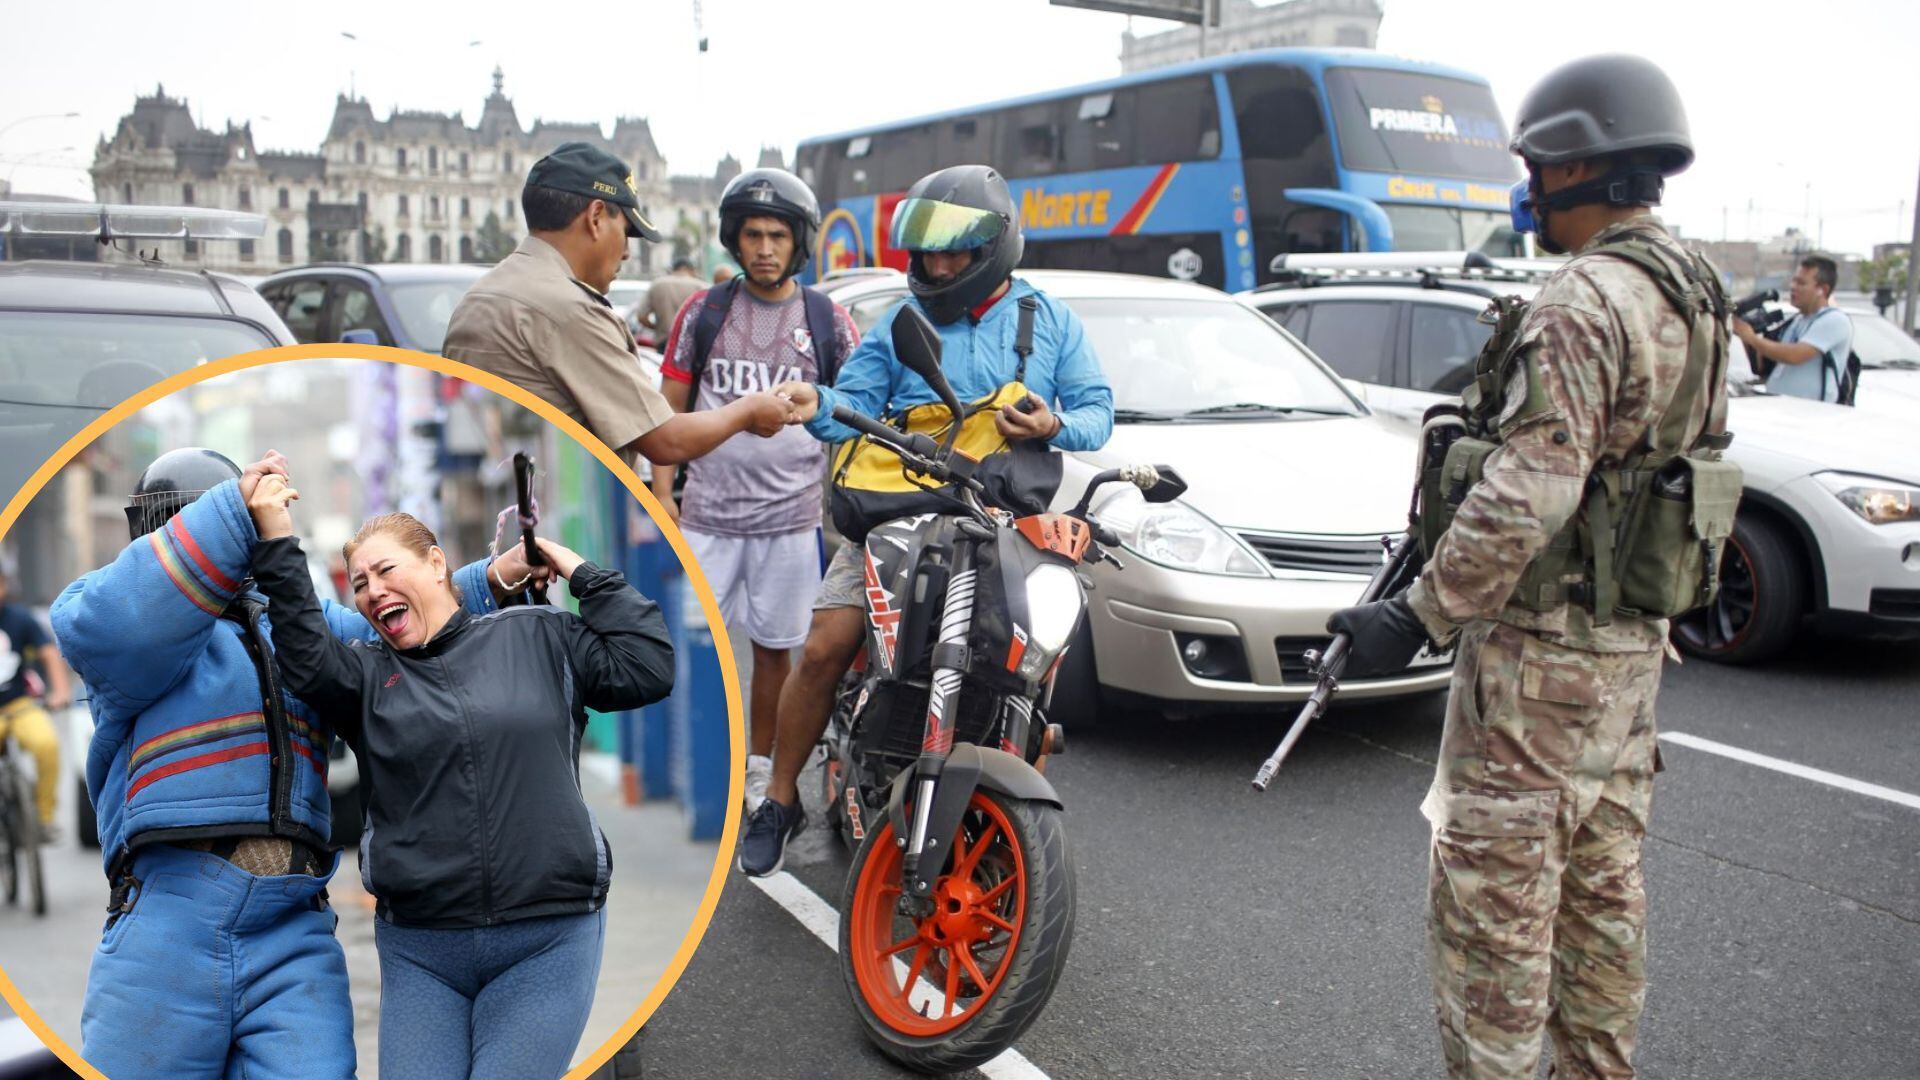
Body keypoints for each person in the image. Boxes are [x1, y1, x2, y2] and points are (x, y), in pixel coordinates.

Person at [1326, 55, 1730, 1079]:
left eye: (1538, 167)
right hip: (1628, 659)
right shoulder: (1694, 292)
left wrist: (1418, 614)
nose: (1530, 188)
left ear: (1577, 168)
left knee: (1495, 929)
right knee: (1603, 913)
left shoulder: (1584, 300)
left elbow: (1532, 490)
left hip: (1538, 672)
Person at [50, 448, 546, 1079]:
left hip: (294, 920)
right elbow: (121, 624)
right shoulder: (113, 618)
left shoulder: (291, 622)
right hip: (168, 919)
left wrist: (493, 579)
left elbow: (397, 634)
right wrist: (233, 508)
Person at [738, 163, 1114, 876]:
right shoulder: (898, 325)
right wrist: (808, 404)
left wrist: (1052, 420)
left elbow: (1098, 412)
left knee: (1032, 664)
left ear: (992, 248)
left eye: (953, 253)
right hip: (901, 509)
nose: (937, 266)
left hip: (1001, 519)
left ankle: (1009, 806)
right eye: (928, 253)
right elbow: (846, 405)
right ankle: (780, 800)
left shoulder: (1051, 320)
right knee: (823, 645)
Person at [247, 476, 673, 1080]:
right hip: (422, 950)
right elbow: (304, 648)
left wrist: (572, 567)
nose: (374, 591)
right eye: (361, 584)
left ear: (437, 563)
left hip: (547, 936)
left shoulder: (538, 634)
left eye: (386, 570)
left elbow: (647, 667)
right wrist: (276, 536)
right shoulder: (363, 675)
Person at [653, 168, 860, 813]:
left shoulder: (826, 320)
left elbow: (853, 413)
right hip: (708, 521)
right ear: (733, 241)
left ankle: (761, 771)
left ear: (797, 243)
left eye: (776, 235)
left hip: (791, 523)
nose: (764, 248)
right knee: (693, 654)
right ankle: (697, 771)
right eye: (751, 235)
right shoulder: (704, 312)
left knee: (777, 655)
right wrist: (663, 493)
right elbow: (670, 407)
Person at [443, 142, 792, 470]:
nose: (626, 251)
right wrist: (748, 411)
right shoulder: (570, 310)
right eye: (626, 232)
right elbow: (665, 441)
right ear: (596, 217)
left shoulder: (480, 296)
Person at [0, 567, 71, 846]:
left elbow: (49, 654)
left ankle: (43, 819)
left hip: (19, 705)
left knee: (47, 744)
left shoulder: (20, 619)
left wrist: (60, 691)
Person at [1735, 254, 1855, 402]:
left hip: (1810, 414)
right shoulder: (1796, 320)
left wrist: (1751, 338)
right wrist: (1746, 335)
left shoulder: (1834, 320)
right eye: (1793, 281)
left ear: (1822, 289)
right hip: (1783, 409)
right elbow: (1766, 364)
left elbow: (1795, 356)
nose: (1793, 287)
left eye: (1801, 283)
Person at [643, 257, 703, 336]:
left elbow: (642, 316)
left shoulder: (657, 285)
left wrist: (658, 329)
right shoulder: (700, 287)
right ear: (691, 270)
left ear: (673, 269)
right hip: (692, 341)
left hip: (664, 340)